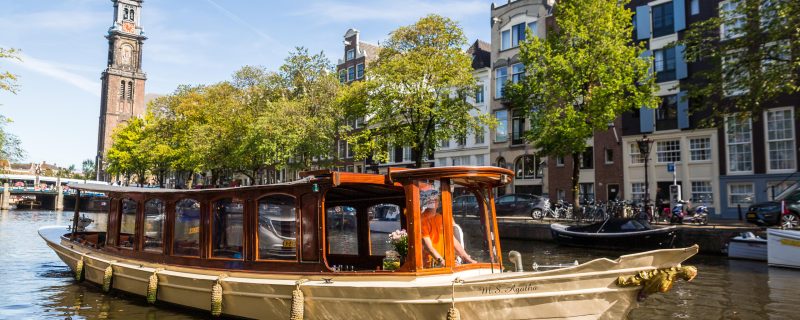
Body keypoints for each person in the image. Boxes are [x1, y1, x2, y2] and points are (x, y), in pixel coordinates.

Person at [420, 190, 477, 267]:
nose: (436, 202)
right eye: (433, 200)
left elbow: (452, 240)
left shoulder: (440, 218)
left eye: (437, 199)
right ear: (427, 202)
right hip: (428, 266)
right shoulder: (421, 220)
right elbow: (428, 247)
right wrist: (443, 262)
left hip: (440, 264)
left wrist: (467, 258)